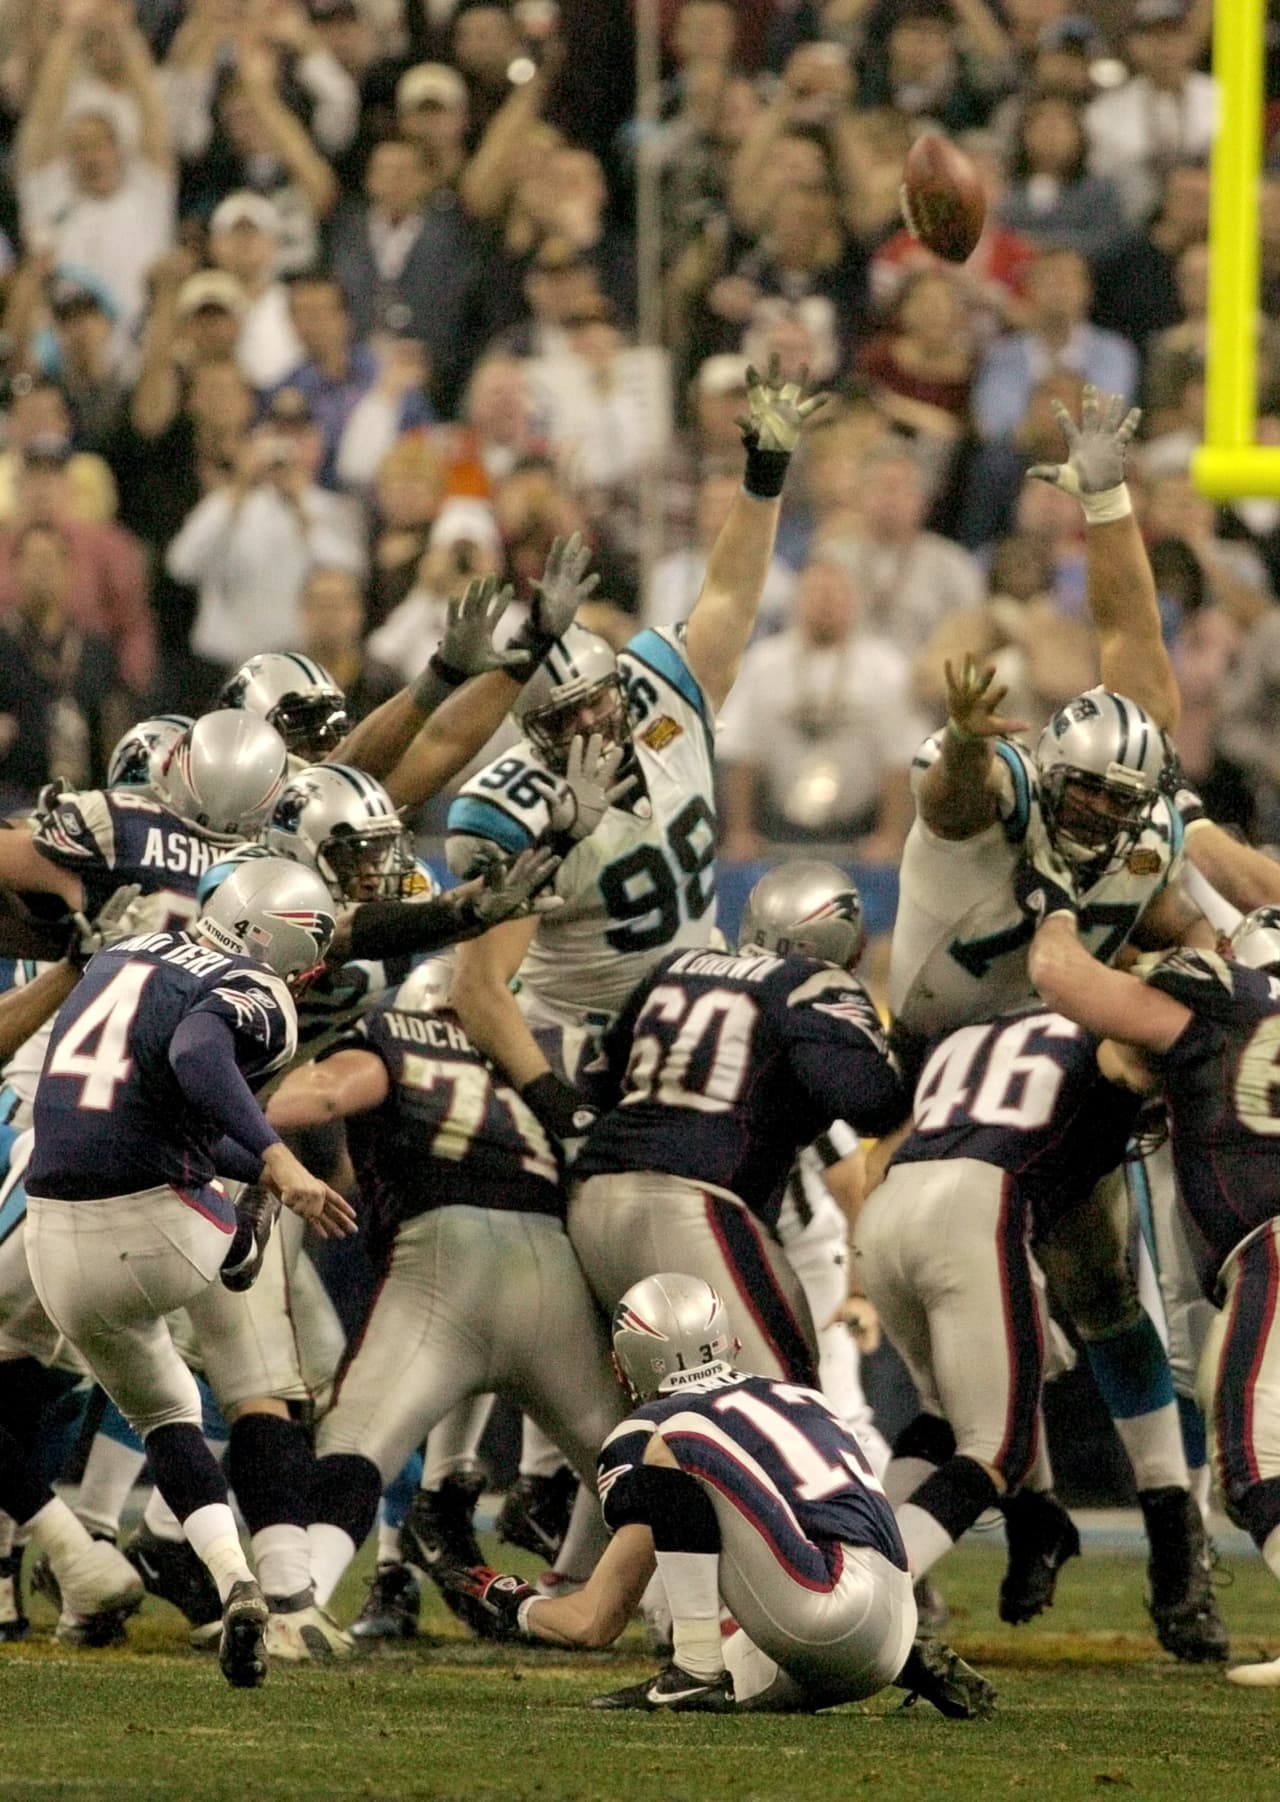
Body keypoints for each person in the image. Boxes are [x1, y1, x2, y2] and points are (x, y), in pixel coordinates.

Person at [886, 385, 1227, 1664]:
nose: (1094, 820)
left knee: (1097, 1287)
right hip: (915, 1063)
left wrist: (1104, 498)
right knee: (925, 1306)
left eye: (1116, 803)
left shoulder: (1140, 818)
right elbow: (955, 786)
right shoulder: (1000, 779)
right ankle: (1014, 1507)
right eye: (1076, 796)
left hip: (1039, 1067)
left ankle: (1172, 1539)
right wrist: (972, 743)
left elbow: (1131, 632)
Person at [23, 856, 355, 1689]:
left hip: (53, 1242)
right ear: (278, 937)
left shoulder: (120, 955)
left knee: (169, 1410)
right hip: (160, 1236)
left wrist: (256, 1161)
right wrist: (277, 1160)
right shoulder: (258, 988)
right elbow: (199, 1050)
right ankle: (238, 1236)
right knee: (236, 1199)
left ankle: (232, 1580)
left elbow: (163, 1093)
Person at [442, 1272, 994, 1720]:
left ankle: (694, 1667)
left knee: (672, 1450)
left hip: (816, 1613)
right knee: (722, 1686)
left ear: (624, 1364)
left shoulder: (647, 1433)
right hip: (893, 1619)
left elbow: (596, 1620)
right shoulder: (800, 1397)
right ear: (726, 1341)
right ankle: (898, 1664)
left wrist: (516, 1604)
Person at [265, 957, 626, 1622]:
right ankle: (705, 1624)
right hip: (551, 1273)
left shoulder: (397, 1035)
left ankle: (298, 1607)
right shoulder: (544, 1056)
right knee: (640, 1469)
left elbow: (324, 1097)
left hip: (444, 1263)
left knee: (354, 1447)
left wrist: (224, 1103)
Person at [1025, 900, 1280, 1686]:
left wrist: (1057, 910)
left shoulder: (1222, 999)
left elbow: (1060, 979)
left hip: (1274, 1240)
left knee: (1250, 1447)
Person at [857, 1006, 1144, 1623]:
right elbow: (1137, 1065)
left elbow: (874, 1158)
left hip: (888, 1203)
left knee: (946, 1416)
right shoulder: (1112, 1019)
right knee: (997, 1446)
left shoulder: (969, 1026)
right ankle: (857, 1588)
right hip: (978, 1206)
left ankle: (1035, 1524)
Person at [572, 861, 905, 1386]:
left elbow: (596, 1083)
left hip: (592, 1201)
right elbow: (871, 1105)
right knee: (786, 1401)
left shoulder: (675, 966)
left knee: (647, 1412)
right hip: (696, 1205)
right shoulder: (810, 983)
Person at [717, 557, 925, 860]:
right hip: (776, 828)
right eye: (816, 594)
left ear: (854, 603)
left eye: (836, 596)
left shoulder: (886, 667)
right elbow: (740, 752)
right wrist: (739, 833)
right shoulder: (763, 662)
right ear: (797, 601)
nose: (825, 604)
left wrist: (891, 836)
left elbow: (900, 758)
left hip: (861, 832)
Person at [17, 0, 175, 332]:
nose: (92, 155)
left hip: (137, 346)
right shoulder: (52, 200)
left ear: (119, 150)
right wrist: (73, 28)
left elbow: (154, 117)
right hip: (63, 351)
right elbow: (45, 117)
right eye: (80, 147)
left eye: (101, 144)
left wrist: (123, 31)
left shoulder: (147, 196)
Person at [0, 521, 128, 810]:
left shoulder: (95, 648)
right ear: (15, 569)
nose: (42, 571)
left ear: (69, 570)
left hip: (84, 800)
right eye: (32, 560)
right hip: (14, 799)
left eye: (51, 560)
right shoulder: (4, 643)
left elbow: (115, 726)